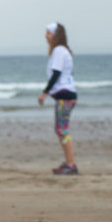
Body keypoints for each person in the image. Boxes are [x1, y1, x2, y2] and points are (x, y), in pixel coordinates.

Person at [38, 22, 79, 175]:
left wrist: (44, 93)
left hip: (65, 95)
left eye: (49, 33)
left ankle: (71, 164)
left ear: (56, 35)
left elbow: (56, 74)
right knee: (60, 130)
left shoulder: (59, 51)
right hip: (65, 95)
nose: (46, 36)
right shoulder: (62, 51)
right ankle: (69, 162)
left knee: (62, 130)